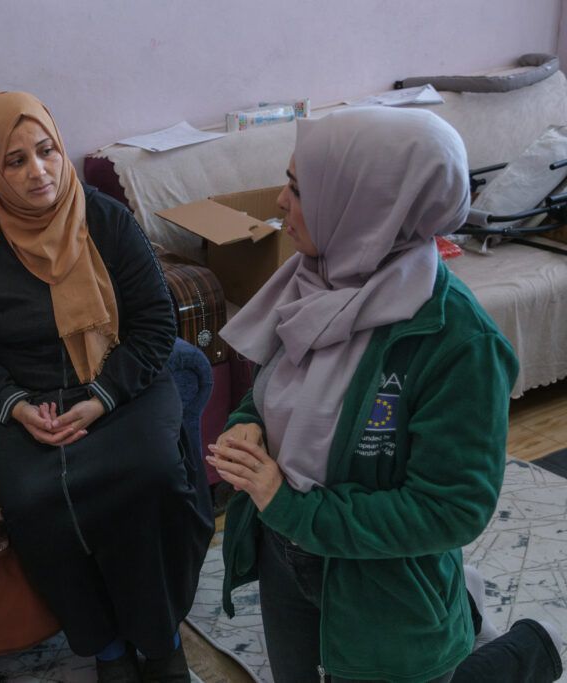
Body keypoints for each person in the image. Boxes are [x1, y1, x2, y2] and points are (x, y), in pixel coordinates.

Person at [206, 106, 559, 682]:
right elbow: (276, 392)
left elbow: (452, 509)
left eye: (298, 187)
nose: (279, 201)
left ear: (365, 205)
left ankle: (524, 656)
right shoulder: (311, 281)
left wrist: (294, 507)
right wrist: (247, 422)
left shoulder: (459, 342)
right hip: (286, 554)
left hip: (382, 589)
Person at [0, 91, 213, 682]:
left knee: (155, 476)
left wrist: (101, 398)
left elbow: (156, 324)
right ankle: (107, 647)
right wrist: (14, 406)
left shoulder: (106, 220)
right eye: (15, 161)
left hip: (118, 385)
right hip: (25, 405)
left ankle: (160, 639)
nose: (38, 172)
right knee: (37, 500)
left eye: (47, 151)